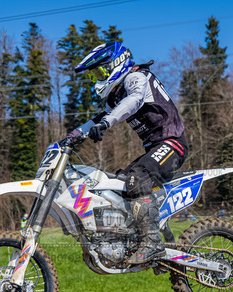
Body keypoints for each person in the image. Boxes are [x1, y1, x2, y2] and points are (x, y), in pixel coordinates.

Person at [66, 41, 188, 264]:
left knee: (137, 178)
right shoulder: (117, 93)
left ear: (115, 63)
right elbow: (100, 117)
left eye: (99, 73)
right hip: (155, 149)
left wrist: (106, 123)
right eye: (93, 76)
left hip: (173, 144)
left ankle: (153, 243)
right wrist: (72, 135)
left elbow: (133, 101)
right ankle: (140, 240)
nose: (96, 79)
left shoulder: (136, 78)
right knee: (121, 182)